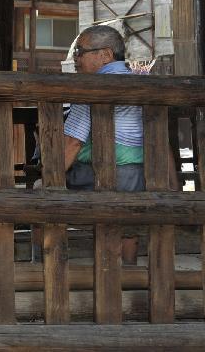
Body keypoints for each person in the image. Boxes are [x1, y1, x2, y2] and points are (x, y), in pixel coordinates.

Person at [63, 25, 146, 264]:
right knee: (127, 215)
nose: (75, 58)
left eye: (80, 51)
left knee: (39, 190)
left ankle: (46, 263)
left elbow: (73, 143)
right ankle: (128, 272)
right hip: (138, 177)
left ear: (106, 55)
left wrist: (50, 177)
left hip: (96, 177)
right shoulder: (142, 85)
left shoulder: (90, 87)